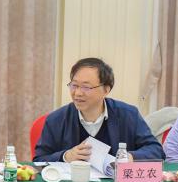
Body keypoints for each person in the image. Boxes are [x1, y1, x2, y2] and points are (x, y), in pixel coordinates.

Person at [33, 57, 163, 163]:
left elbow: (156, 150)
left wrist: (130, 157)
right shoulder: (56, 119)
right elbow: (39, 160)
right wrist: (66, 156)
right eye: (74, 85)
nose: (77, 93)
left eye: (86, 87)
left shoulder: (128, 115)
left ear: (106, 90)